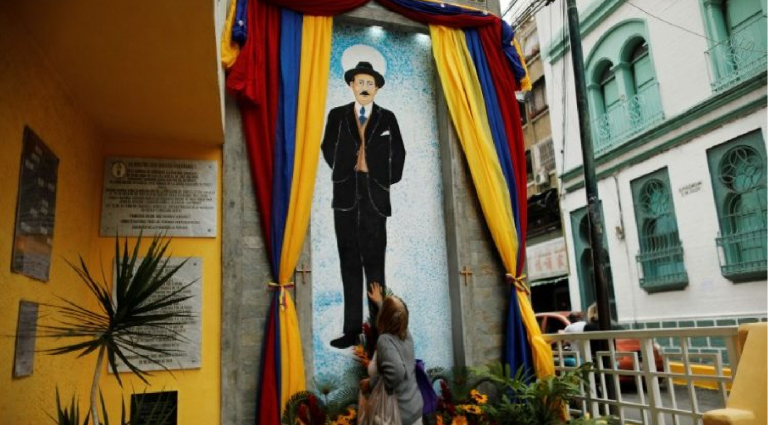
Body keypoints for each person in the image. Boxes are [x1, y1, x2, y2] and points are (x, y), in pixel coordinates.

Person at [322, 61, 406, 349]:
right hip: (345, 195)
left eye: (370, 83)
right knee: (348, 262)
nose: (365, 87)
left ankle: (378, 330)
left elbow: (399, 152)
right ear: (351, 85)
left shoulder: (388, 118)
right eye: (360, 82)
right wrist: (343, 170)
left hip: (375, 196)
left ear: (377, 88)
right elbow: (327, 146)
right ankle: (351, 331)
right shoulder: (337, 115)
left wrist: (384, 179)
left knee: (374, 264)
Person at [361, 283, 423, 425]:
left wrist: (370, 384)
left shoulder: (385, 340)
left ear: (383, 317)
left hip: (398, 415)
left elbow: (396, 373)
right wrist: (380, 303)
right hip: (413, 409)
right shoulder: (406, 333)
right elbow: (395, 316)